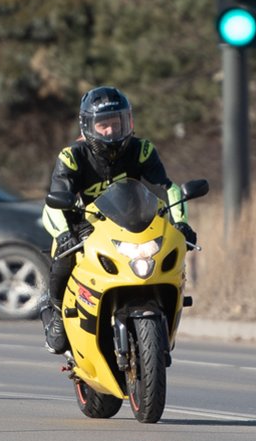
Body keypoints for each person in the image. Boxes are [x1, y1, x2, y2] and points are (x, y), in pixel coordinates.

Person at [39, 86, 194, 355]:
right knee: (63, 255)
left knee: (168, 250)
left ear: (129, 121)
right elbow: (54, 202)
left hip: (134, 227)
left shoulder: (142, 150)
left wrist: (180, 223)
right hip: (85, 229)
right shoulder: (72, 156)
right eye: (103, 125)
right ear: (88, 126)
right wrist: (66, 233)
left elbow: (166, 189)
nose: (111, 131)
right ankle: (57, 316)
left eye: (116, 123)